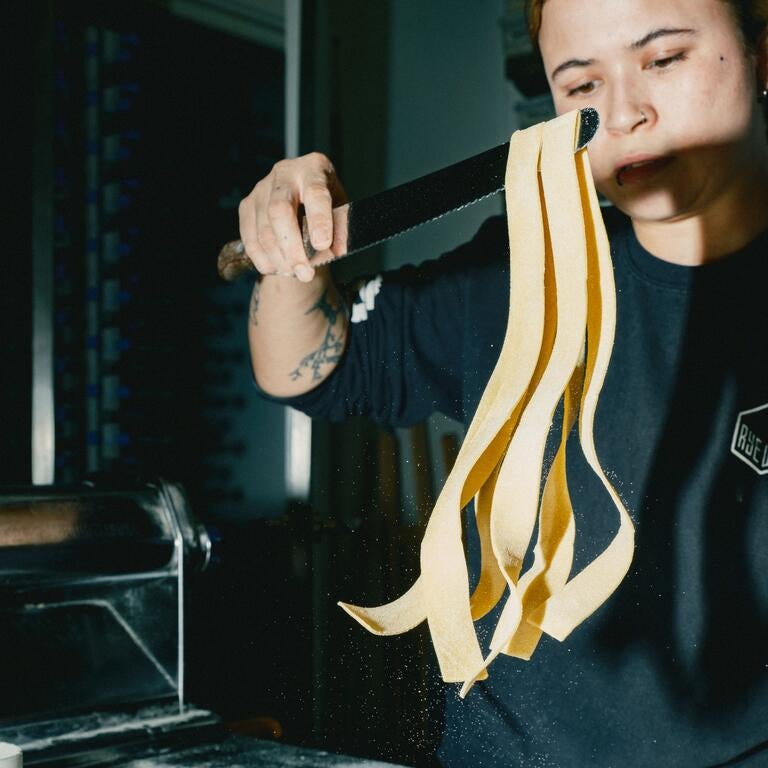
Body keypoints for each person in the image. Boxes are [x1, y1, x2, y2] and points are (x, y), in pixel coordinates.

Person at [239, 0, 768, 765]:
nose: (624, 113)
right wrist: (287, 249)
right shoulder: (518, 273)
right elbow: (312, 370)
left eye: (662, 60)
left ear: (761, 53)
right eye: (581, 86)